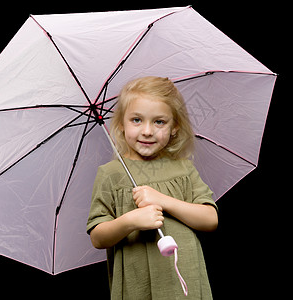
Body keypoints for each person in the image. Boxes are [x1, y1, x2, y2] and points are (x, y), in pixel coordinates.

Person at [87, 76, 218, 299]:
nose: (147, 131)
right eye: (136, 120)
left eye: (159, 122)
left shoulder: (183, 169)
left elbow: (210, 219)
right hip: (137, 284)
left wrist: (163, 200)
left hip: (185, 280)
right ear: (121, 123)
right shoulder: (111, 174)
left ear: (175, 127)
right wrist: (130, 221)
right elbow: (98, 237)